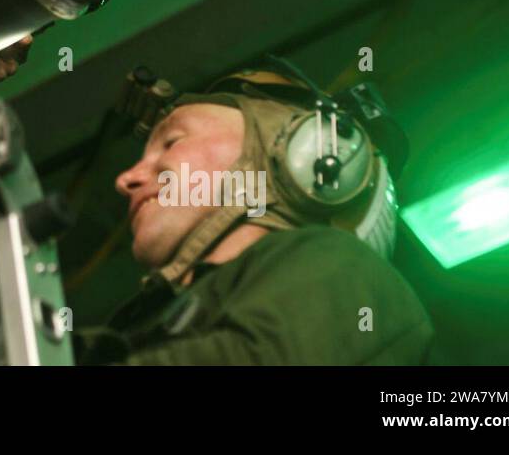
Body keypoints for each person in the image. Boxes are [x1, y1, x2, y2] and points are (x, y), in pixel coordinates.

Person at [81, 67, 434, 364]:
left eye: (172, 142)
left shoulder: (350, 271)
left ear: (312, 157)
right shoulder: (143, 322)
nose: (125, 179)